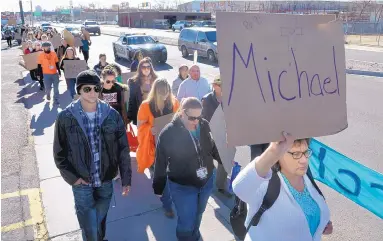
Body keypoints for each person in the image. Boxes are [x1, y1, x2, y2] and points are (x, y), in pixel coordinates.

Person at [53, 70, 132, 241]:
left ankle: (98, 237)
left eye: (96, 88)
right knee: (88, 220)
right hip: (82, 181)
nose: (93, 93)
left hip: (105, 179)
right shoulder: (65, 118)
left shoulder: (112, 115)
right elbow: (59, 153)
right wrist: (73, 178)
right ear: (79, 90)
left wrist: (126, 178)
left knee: (98, 218)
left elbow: (123, 149)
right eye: (87, 89)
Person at [232, 135, 333, 241]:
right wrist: (272, 152)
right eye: (296, 154)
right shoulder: (265, 184)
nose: (304, 160)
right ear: (278, 155)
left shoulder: (305, 176)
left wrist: (321, 224)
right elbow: (240, 188)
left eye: (306, 152)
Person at [153, 97, 221, 241]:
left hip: (206, 181)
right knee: (186, 222)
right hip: (182, 185)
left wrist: (224, 161)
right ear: (182, 113)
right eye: (192, 118)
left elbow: (212, 148)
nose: (196, 121)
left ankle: (195, 237)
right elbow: (160, 162)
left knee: (199, 214)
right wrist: (158, 187)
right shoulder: (168, 133)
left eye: (199, 116)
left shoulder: (204, 125)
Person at [136, 78, 179, 218]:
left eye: (167, 92)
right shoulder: (145, 106)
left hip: (172, 147)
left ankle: (167, 198)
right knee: (161, 177)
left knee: (171, 176)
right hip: (153, 149)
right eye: (161, 93)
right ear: (155, 92)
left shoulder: (174, 103)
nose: (164, 96)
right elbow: (140, 127)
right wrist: (150, 128)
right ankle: (167, 205)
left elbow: (180, 122)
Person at [201, 75, 232, 197]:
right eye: (220, 85)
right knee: (206, 160)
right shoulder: (207, 99)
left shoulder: (229, 98)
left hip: (225, 134)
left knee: (224, 161)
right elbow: (204, 119)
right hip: (210, 134)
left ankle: (220, 186)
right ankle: (204, 182)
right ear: (214, 86)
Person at [127, 58, 158, 125]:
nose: (146, 69)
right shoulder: (133, 82)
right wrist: (129, 117)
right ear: (140, 69)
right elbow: (132, 100)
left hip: (155, 112)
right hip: (142, 112)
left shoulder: (156, 80)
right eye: (143, 67)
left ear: (151, 68)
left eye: (148, 67)